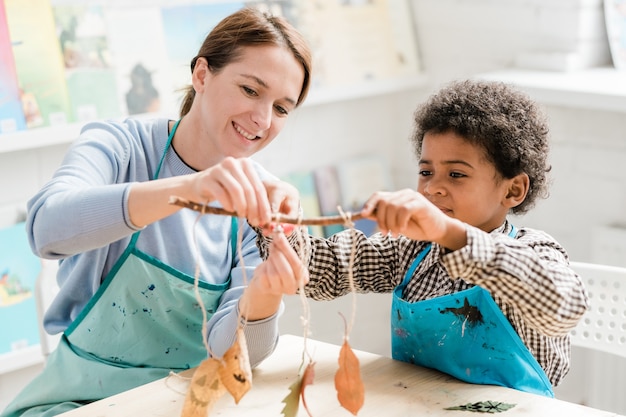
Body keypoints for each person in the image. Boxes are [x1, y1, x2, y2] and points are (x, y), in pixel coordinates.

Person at [2, 7, 311, 417]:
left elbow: (234, 355)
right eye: (251, 90)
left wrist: (268, 287)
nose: (262, 119)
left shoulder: (264, 202)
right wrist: (185, 188)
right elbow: (46, 229)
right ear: (202, 75)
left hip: (190, 402)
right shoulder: (120, 146)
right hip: (80, 400)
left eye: (282, 108)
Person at [258, 79, 589, 398]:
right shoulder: (411, 250)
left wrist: (448, 233)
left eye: (456, 174)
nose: (432, 189)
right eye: (426, 172)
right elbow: (322, 271)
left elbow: (565, 306)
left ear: (513, 189)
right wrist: (273, 221)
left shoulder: (531, 250)